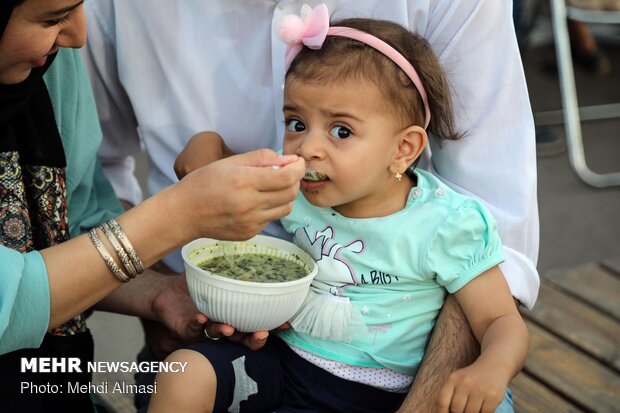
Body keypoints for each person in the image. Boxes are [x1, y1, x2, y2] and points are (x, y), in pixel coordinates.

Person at [83, 1, 540, 411]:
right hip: (289, 365)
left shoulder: (445, 223)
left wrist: (491, 370)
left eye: (341, 131)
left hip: (394, 391)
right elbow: (213, 164)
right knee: (183, 376)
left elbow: (500, 319)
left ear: (404, 149)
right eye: (296, 122)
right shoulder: (298, 194)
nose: (309, 148)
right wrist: (203, 148)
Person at [0, 1, 304, 411]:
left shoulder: (50, 65)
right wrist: (179, 215)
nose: (79, 37)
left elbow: (75, 220)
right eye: (51, 19)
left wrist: (160, 294)